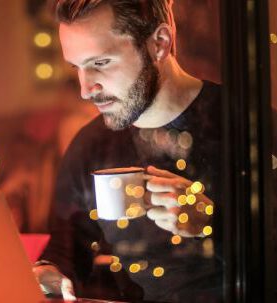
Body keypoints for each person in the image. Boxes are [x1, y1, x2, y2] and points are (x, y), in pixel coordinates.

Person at [31, 0, 242, 302]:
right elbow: (67, 250)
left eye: (100, 63)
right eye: (76, 67)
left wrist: (212, 224)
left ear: (159, 43)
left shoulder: (244, 129)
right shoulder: (90, 145)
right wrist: (49, 271)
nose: (85, 88)